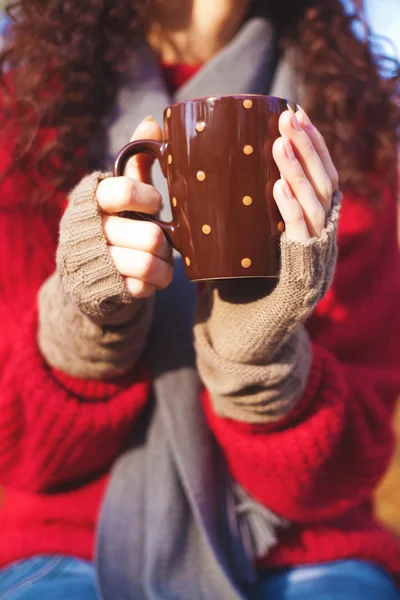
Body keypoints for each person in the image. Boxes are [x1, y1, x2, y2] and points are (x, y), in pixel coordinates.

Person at [0, 0, 399, 598]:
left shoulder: (353, 122)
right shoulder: (25, 111)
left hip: (298, 544)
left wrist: (256, 355)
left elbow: (344, 469)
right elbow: (21, 449)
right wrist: (86, 319)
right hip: (70, 541)